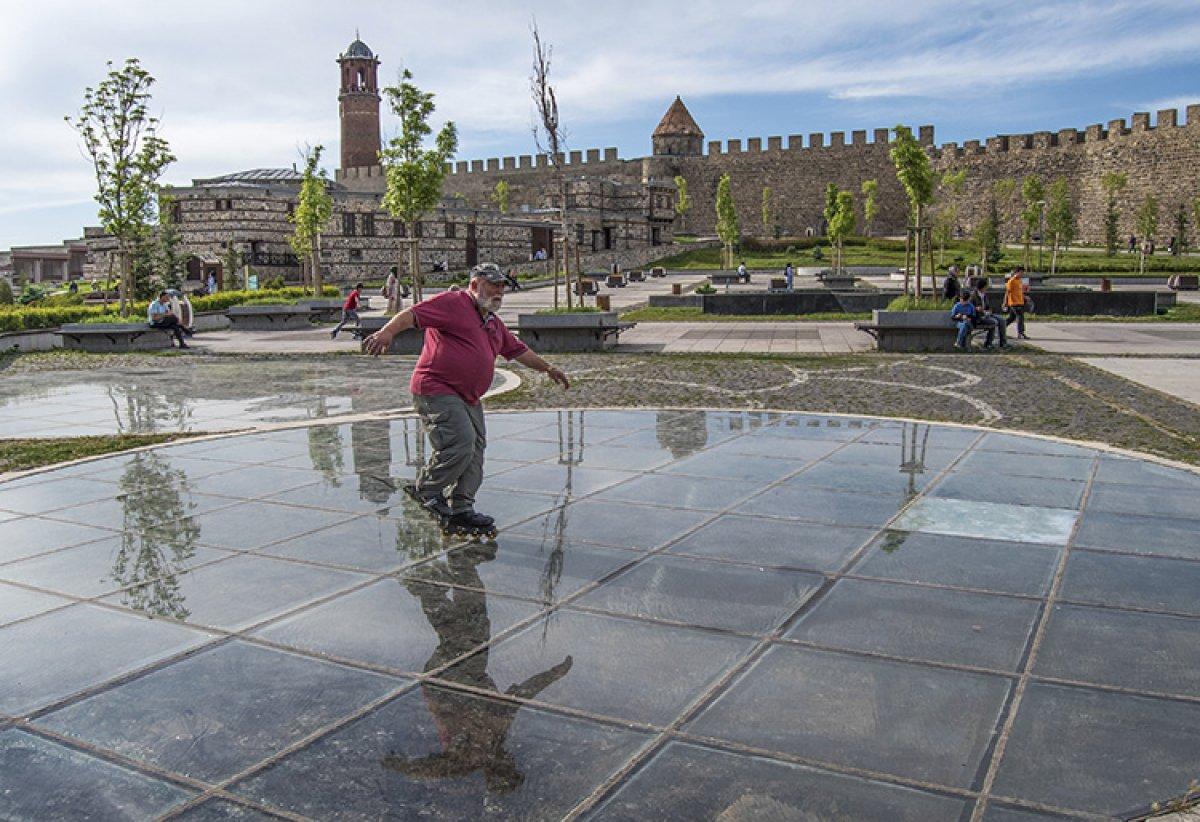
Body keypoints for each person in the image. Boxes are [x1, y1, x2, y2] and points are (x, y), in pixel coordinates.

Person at [363, 262, 569, 532]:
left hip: (468, 396)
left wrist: (549, 368)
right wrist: (387, 332)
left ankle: (462, 508)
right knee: (461, 442)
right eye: (492, 285)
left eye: (501, 286)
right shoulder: (453, 303)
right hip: (436, 388)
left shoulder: (493, 322)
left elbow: (518, 351)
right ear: (474, 285)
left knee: (476, 450)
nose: (499, 291)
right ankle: (427, 488)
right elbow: (412, 315)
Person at [969, 277, 1006, 348]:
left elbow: (988, 306)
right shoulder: (973, 296)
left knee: (1002, 320)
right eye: (986, 286)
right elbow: (968, 307)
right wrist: (976, 308)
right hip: (978, 317)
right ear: (982, 287)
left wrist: (989, 310)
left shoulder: (984, 295)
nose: (987, 288)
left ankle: (1003, 343)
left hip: (986, 314)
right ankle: (988, 343)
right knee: (994, 322)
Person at [1003, 267, 1029, 340]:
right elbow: (1007, 292)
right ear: (1016, 272)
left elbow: (1019, 291)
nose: (1021, 274)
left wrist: (1025, 297)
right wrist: (1005, 302)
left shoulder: (1019, 281)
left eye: (1022, 273)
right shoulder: (1011, 281)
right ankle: (1021, 333)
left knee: (1012, 318)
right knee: (1020, 317)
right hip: (1014, 302)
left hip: (1020, 301)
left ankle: (1000, 326)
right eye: (1020, 272)